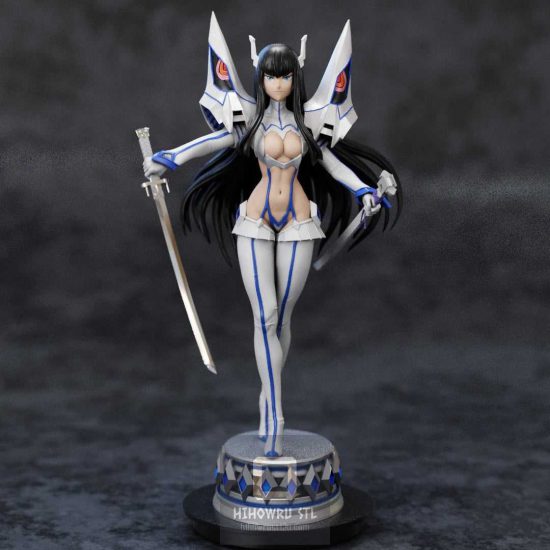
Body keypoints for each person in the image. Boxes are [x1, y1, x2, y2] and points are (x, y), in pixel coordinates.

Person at [142, 13, 402, 457]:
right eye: (270, 76)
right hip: (255, 222)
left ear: (295, 79)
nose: (277, 84)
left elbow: (332, 163)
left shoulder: (308, 125)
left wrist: (362, 190)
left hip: (299, 223)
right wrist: (168, 158)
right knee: (264, 317)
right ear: (259, 78)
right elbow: (211, 143)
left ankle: (269, 389)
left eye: (285, 76)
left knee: (281, 319)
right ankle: (274, 412)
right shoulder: (249, 122)